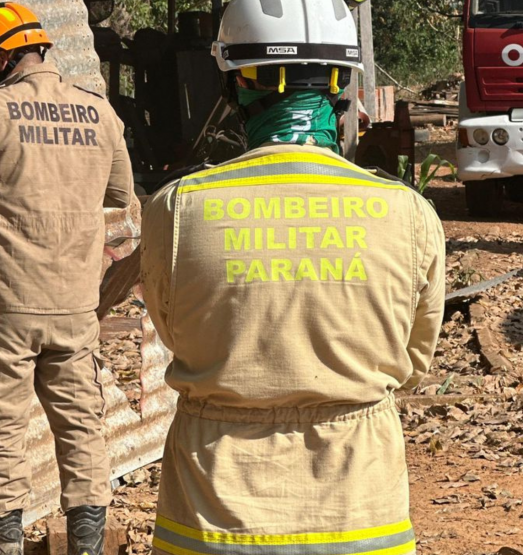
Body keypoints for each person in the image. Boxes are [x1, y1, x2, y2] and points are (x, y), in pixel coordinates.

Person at [140, 0, 445, 553]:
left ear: (233, 84)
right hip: (361, 509)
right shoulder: (408, 212)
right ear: (341, 85)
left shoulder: (178, 208)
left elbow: (175, 331)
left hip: (214, 514)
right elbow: (414, 361)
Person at [0, 4, 135, 555]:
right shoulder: (100, 111)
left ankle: (4, 547)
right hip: (76, 307)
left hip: (7, 308)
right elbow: (119, 193)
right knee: (82, 431)